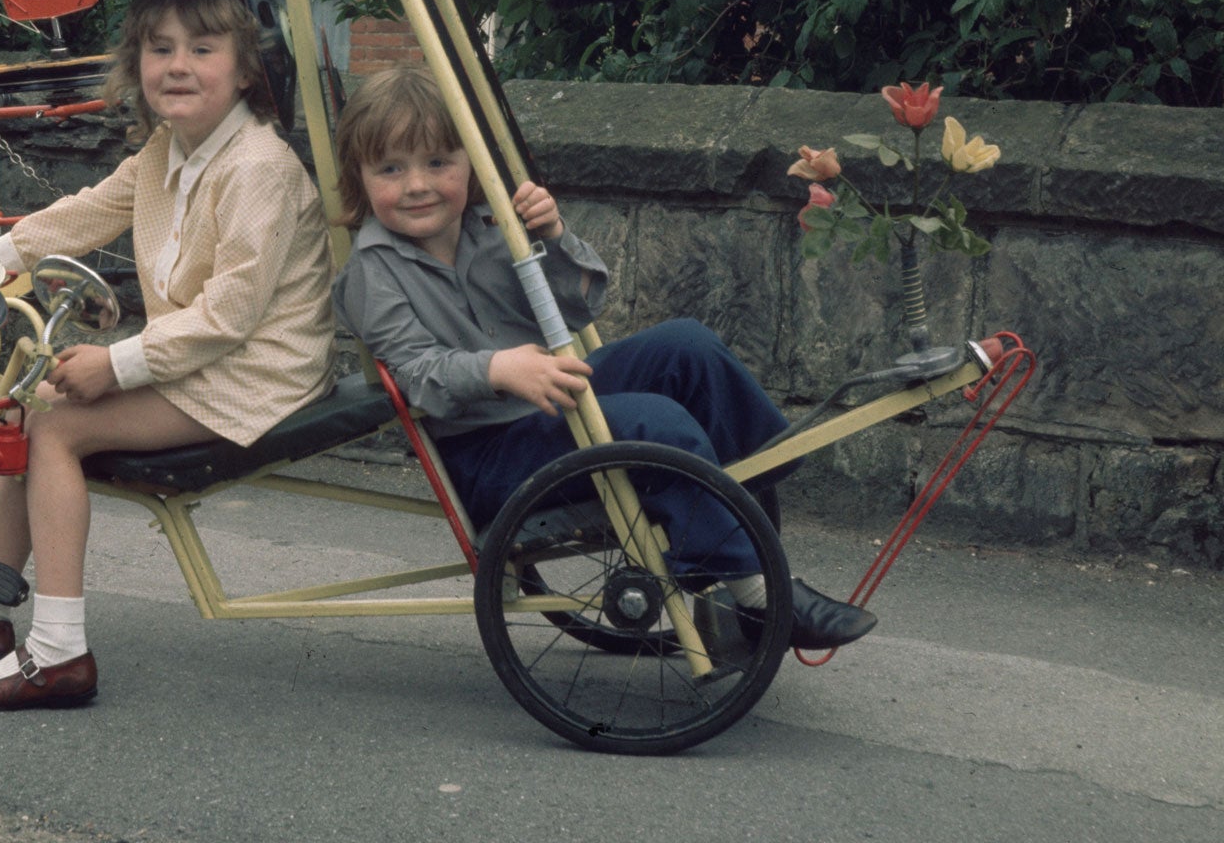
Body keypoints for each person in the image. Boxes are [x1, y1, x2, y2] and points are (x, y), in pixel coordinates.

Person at [0, 0, 336, 708]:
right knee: (24, 406)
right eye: (159, 48)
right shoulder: (166, 152)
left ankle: (58, 652)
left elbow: (229, 318)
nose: (178, 65)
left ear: (246, 69)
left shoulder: (259, 169)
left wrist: (118, 364)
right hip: (206, 357)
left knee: (53, 427)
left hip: (258, 373)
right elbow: (82, 214)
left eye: (203, 49)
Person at [330, 66, 875, 652]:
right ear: (359, 180)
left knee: (686, 347)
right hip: (486, 452)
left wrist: (555, 236)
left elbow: (577, 307)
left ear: (470, 163)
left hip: (549, 406)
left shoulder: (493, 226)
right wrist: (498, 368)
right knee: (650, 423)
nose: (417, 185)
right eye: (390, 169)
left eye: (438, 162)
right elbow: (416, 375)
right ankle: (762, 594)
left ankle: (744, 500)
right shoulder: (371, 271)